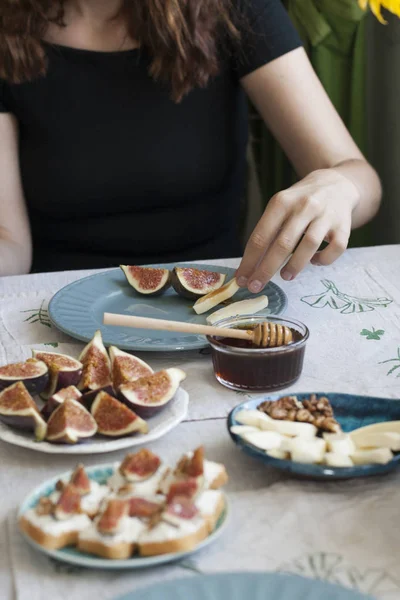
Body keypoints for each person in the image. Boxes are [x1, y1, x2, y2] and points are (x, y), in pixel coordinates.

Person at [0, 0, 381, 294]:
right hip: (53, 303)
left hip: (217, 303)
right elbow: (11, 245)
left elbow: (358, 177)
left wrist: (339, 188)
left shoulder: (235, 9)